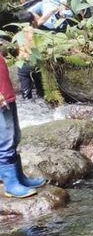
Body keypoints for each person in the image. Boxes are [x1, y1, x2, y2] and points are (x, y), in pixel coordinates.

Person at [1, 52, 47, 198]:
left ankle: (19, 177)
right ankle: (10, 184)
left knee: (15, 137)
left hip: (7, 96)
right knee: (5, 140)